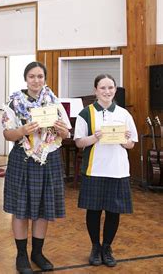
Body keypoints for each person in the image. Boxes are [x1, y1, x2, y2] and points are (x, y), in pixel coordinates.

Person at [1, 61, 71, 274]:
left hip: (48, 160)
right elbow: (7, 134)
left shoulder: (54, 102)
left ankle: (37, 253)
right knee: (20, 210)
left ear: (45, 78)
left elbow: (67, 133)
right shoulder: (13, 103)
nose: (36, 80)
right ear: (25, 79)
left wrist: (61, 129)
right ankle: (21, 255)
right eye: (32, 76)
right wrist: (22, 129)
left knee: (43, 208)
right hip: (22, 160)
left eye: (40, 76)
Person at [74, 74, 137, 267]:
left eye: (110, 88)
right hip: (94, 170)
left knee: (113, 212)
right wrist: (95, 137)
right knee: (93, 211)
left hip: (117, 171)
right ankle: (95, 247)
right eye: (103, 88)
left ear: (115, 90)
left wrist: (123, 140)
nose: (107, 91)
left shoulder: (124, 114)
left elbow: (131, 144)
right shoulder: (85, 113)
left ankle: (107, 247)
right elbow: (79, 142)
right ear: (95, 91)